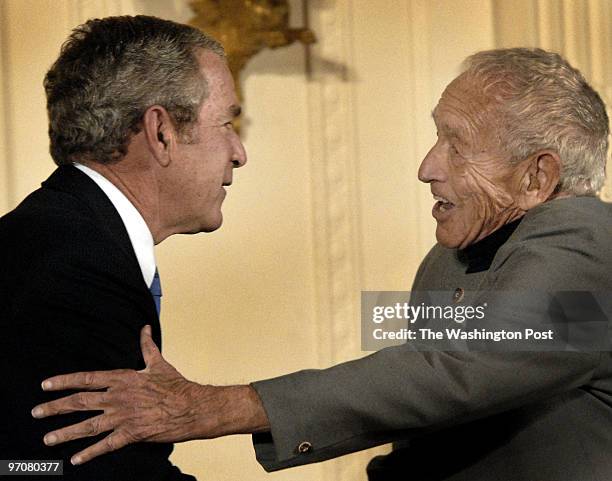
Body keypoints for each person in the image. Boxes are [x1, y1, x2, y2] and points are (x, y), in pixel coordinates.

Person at [32, 49, 612, 480]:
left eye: (456, 144)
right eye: (436, 137)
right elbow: (430, 409)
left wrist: (212, 406)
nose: (427, 166)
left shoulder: (594, 243)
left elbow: (466, 366)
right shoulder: (449, 259)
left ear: (538, 175)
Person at [0, 15, 246, 480]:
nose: (239, 152)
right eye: (227, 123)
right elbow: (64, 470)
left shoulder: (65, 232)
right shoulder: (76, 263)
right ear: (161, 132)